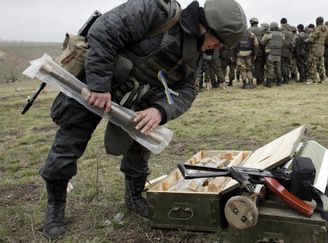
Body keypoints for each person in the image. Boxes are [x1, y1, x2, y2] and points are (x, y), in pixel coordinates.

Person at [40, 0, 247, 239]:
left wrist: (160, 111)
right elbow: (103, 31)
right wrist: (98, 86)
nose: (215, 49)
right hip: (94, 86)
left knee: (142, 144)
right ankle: (55, 209)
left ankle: (134, 196)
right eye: (218, 42)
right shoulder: (157, 11)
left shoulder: (196, 53)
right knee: (68, 146)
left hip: (137, 100)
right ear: (207, 27)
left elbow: (188, 91)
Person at [261, 22, 285, 87]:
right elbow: (283, 42)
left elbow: (262, 42)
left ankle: (269, 83)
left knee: (270, 67)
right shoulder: (281, 34)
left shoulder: (269, 34)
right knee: (278, 67)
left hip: (270, 53)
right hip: (278, 53)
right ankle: (279, 82)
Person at [305, 16, 328, 84]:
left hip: (314, 48)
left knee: (312, 63)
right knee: (320, 63)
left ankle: (313, 80)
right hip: (321, 47)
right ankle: (322, 79)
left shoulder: (317, 29)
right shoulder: (327, 29)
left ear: (317, 22)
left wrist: (306, 41)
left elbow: (312, 38)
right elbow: (327, 39)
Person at [280, 17, 294, 84]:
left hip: (283, 50)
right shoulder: (290, 31)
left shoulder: (282, 31)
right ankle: (287, 78)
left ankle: (285, 79)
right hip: (289, 50)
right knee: (287, 65)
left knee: (283, 65)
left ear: (281, 23)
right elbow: (292, 42)